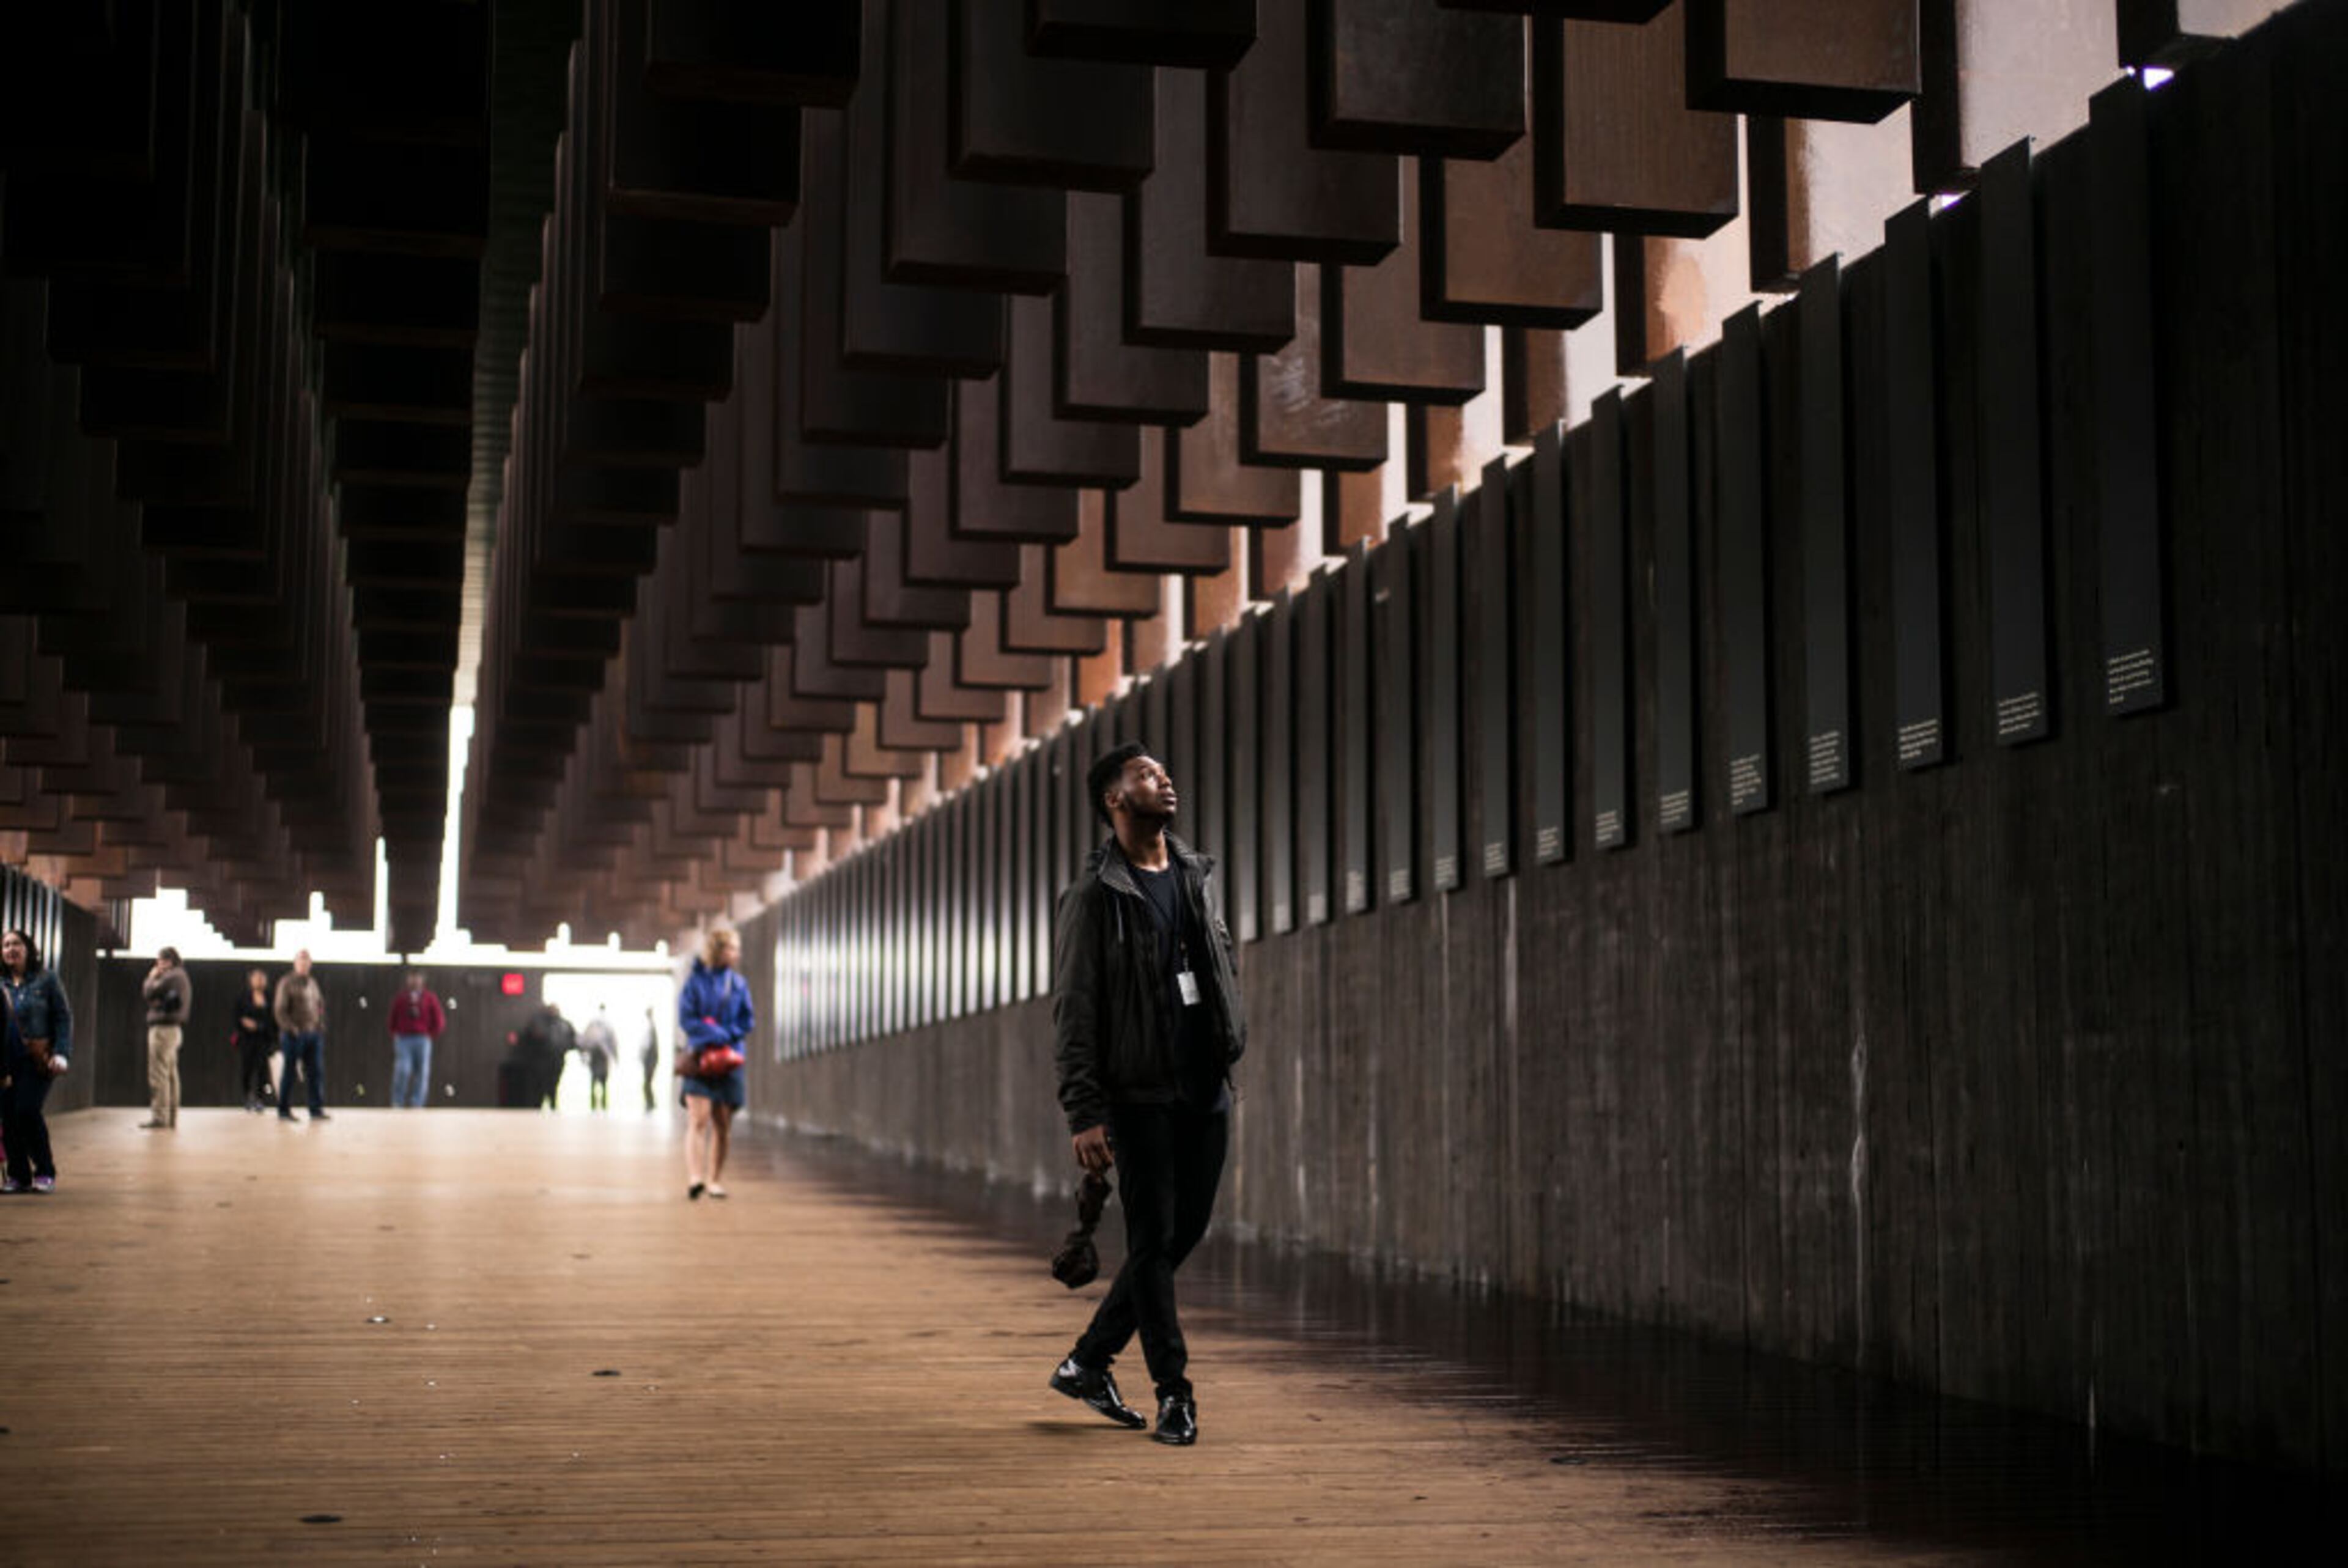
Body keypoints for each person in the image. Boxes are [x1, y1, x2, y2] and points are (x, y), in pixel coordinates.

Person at [1048, 741, 1247, 1448]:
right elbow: (1075, 1010)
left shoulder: (1195, 873)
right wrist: (1085, 1110)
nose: (1164, 779)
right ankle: (1175, 1394)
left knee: (1179, 1235)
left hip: (1204, 1086)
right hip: (1137, 1094)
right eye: (1145, 775)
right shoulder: (1096, 897)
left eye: (1165, 771)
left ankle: (1089, 1361)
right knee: (1155, 1241)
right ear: (1114, 799)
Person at [677, 928, 753, 1200]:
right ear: (717, 951)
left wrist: (727, 1035)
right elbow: (686, 1019)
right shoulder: (694, 983)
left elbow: (748, 1021)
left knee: (723, 1124)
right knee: (698, 1119)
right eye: (731, 948)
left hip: (729, 1059)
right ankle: (695, 1177)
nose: (736, 954)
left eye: (737, 948)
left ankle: (714, 1180)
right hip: (700, 1057)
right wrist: (712, 1034)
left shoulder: (739, 984)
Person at [1, 927, 73, 1193]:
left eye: (16, 944)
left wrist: (62, 1053)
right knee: (8, 1118)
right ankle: (18, 1176)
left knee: (27, 1111)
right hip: (6, 1061)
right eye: (6, 945)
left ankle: (45, 1171)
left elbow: (63, 1018)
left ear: (28, 949)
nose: (11, 949)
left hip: (37, 1058)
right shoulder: (1, 984)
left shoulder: (47, 980)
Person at [273, 949, 330, 1122]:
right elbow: (279, 1010)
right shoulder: (286, 982)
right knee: (290, 1073)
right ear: (295, 963)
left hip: (313, 1035)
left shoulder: (313, 983)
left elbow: (320, 1005)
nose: (304, 963)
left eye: (307, 960)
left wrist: (320, 1025)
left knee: (316, 1073)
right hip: (294, 1036)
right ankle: (283, 1110)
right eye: (301, 960)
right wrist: (291, 1029)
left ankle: (316, 1110)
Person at [140, 946, 191, 1130]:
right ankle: (171, 1117)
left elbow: (148, 992)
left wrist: (152, 977)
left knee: (158, 1075)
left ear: (168, 961)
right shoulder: (181, 976)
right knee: (170, 1074)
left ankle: (160, 1117)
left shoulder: (172, 976)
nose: (157, 965)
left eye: (160, 961)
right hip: (174, 1030)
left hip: (163, 1029)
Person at [386, 970, 446, 1110]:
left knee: (422, 1072)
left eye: (417, 978)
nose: (414, 981)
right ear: (408, 980)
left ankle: (417, 1103)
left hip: (423, 1039)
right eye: (412, 978)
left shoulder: (430, 998)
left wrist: (431, 1034)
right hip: (403, 1039)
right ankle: (397, 1102)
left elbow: (439, 1019)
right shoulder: (401, 998)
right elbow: (392, 1019)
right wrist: (395, 1033)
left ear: (422, 980)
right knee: (403, 1069)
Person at [232, 968, 276, 1112]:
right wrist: (245, 1024)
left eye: (261, 978)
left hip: (264, 1039)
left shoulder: (270, 998)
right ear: (251, 980)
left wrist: (259, 1026)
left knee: (263, 1071)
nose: (259, 981)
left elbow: (274, 1020)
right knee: (247, 1070)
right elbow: (236, 1018)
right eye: (256, 978)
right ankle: (247, 1097)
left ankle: (260, 1099)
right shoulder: (243, 997)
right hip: (247, 1040)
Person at [579, 1006, 616, 1111]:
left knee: (600, 1082)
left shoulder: (600, 1024)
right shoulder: (599, 1024)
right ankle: (597, 1106)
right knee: (597, 1082)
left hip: (601, 1057)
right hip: (597, 1056)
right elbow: (585, 1040)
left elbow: (612, 1042)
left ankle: (599, 1106)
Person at [638, 1007, 660, 1113]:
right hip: (650, 1060)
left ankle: (650, 1103)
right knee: (647, 1083)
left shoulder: (651, 1028)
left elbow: (647, 1046)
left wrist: (643, 1057)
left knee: (647, 1083)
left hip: (650, 1061)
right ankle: (650, 1103)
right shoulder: (651, 1027)